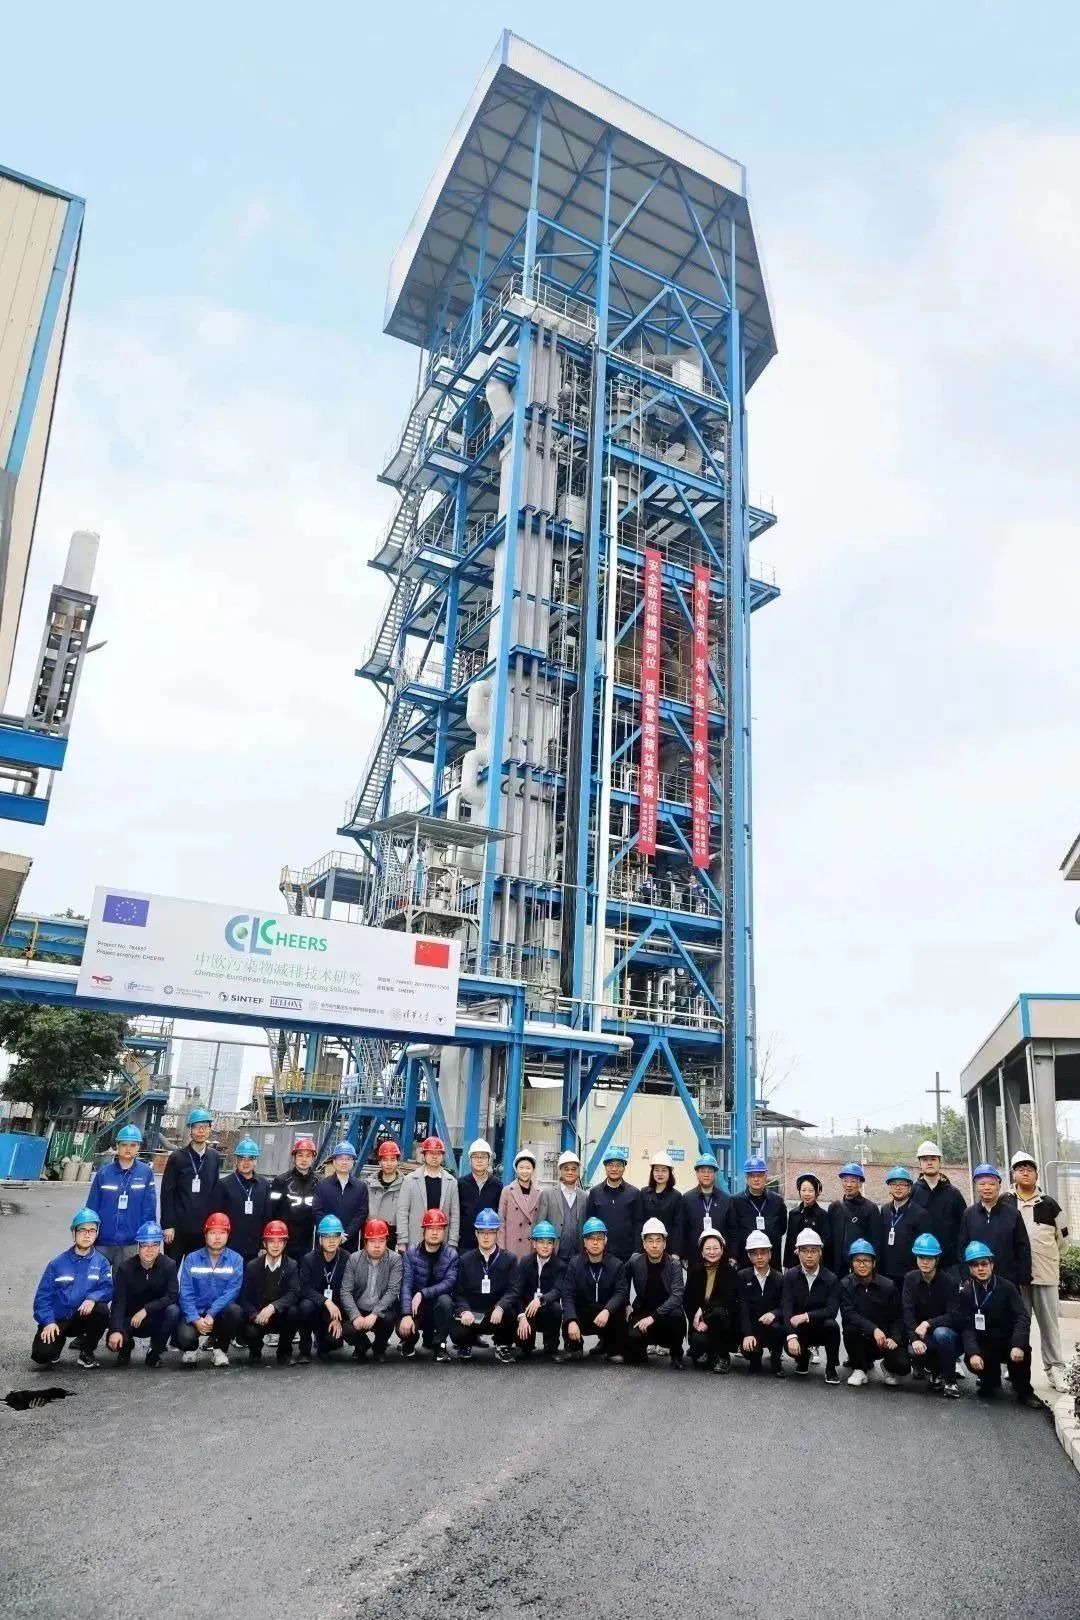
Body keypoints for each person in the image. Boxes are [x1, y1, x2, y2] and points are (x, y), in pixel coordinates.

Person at [1005, 1150, 1070, 1392]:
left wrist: (1048, 1259)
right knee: (1015, 1323)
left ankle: (1055, 1369)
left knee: (1049, 1326)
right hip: (1016, 1278)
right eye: (1020, 1169)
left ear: (1036, 1173)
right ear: (1013, 1173)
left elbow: (1063, 1241)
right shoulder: (1005, 1202)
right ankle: (1014, 1367)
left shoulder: (1050, 1204)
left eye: (1029, 1169)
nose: (1025, 1172)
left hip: (1045, 1275)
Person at [953, 1240, 1038, 1405]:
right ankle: (989, 1381)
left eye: (984, 1264)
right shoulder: (967, 1292)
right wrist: (973, 1352)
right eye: (975, 1265)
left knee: (1024, 1350)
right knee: (976, 1364)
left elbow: (1022, 1317)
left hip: (1008, 1341)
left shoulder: (1007, 1287)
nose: (980, 1268)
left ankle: (1025, 1392)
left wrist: (1018, 1344)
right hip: (985, 1344)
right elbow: (967, 1327)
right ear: (970, 1269)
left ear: (992, 1265)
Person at [31, 1208, 113, 1370]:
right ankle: (57, 1343)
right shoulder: (57, 1264)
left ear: (97, 1234)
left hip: (83, 1317)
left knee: (102, 1310)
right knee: (42, 1355)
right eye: (82, 1230)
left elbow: (108, 1289)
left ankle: (86, 1351)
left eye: (92, 1230)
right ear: (73, 1233)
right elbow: (42, 1298)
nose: (87, 1235)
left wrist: (93, 1298)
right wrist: (48, 1322)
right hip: (59, 1319)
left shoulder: (101, 1262)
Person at [175, 1211, 244, 1368]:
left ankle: (220, 1350)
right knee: (184, 1336)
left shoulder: (236, 1259)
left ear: (228, 1235)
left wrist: (212, 1313)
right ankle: (191, 1349)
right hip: (196, 1315)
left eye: (222, 1233)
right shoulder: (192, 1259)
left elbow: (232, 1292)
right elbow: (186, 1293)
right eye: (213, 1233)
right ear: (205, 1235)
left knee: (235, 1312)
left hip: (220, 1315)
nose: (217, 1237)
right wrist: (195, 1319)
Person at [106, 1221, 179, 1368]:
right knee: (113, 1342)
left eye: (154, 1245)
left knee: (173, 1311)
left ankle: (155, 1351)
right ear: (138, 1246)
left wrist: (146, 1309)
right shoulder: (125, 1269)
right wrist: (116, 1330)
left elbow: (172, 1295)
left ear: (159, 1246)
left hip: (155, 1318)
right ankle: (126, 1346)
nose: (150, 1250)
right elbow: (119, 1302)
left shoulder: (169, 1265)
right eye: (145, 1245)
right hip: (130, 1319)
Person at [838, 1240, 910, 1388]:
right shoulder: (845, 1284)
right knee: (850, 1329)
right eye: (857, 1260)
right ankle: (859, 1369)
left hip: (885, 1339)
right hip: (861, 1338)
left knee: (903, 1366)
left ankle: (887, 1367)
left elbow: (898, 1317)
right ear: (852, 1263)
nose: (862, 1265)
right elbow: (848, 1314)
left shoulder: (888, 1286)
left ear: (874, 1263)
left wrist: (895, 1338)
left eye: (866, 1260)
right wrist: (873, 1329)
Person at [451, 1207, 519, 1361]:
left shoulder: (509, 1259)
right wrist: (464, 1311)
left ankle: (503, 1344)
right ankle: (466, 1344)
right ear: (476, 1233)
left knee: (510, 1312)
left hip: (496, 1313)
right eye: (482, 1232)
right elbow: (459, 1293)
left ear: (497, 1233)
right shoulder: (465, 1260)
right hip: (473, 1314)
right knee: (457, 1331)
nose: (486, 1236)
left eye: (491, 1232)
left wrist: (500, 1307)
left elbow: (513, 1290)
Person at [85, 1124, 158, 1266]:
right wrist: (91, 1234)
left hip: (131, 1242)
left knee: (124, 1278)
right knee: (98, 1277)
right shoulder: (104, 1173)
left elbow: (149, 1209)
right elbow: (92, 1206)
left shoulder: (145, 1173)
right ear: (117, 1146)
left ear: (139, 1147)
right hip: (103, 1240)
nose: (128, 1148)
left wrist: (146, 1238)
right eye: (124, 1144)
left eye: (133, 1145)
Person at [561, 1216, 628, 1361]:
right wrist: (571, 1320)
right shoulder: (574, 1264)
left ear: (605, 1240)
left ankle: (611, 1347)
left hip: (605, 1314)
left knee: (619, 1313)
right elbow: (567, 1295)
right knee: (568, 1316)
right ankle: (575, 1345)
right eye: (591, 1238)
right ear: (585, 1242)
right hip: (583, 1314)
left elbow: (621, 1293)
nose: (595, 1242)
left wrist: (607, 1310)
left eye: (599, 1238)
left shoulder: (617, 1265)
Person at [902, 1232, 960, 1398]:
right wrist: (914, 1339)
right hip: (922, 1336)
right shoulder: (910, 1279)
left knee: (941, 1334)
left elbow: (953, 1316)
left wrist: (928, 1323)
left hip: (948, 1335)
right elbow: (907, 1312)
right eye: (921, 1257)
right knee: (912, 1351)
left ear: (937, 1259)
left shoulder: (949, 1282)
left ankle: (950, 1380)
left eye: (929, 1258)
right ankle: (933, 1371)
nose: (925, 1262)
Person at [624, 1218, 686, 1370]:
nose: (654, 1245)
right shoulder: (634, 1262)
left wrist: (653, 1317)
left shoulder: (674, 1264)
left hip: (667, 1313)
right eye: (650, 1241)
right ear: (644, 1243)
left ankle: (676, 1353)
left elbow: (677, 1296)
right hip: (643, 1309)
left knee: (677, 1316)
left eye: (658, 1241)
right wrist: (626, 1304)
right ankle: (641, 1348)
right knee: (631, 1346)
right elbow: (621, 1282)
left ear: (664, 1243)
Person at [160, 1107, 221, 1261]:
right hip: (177, 1229)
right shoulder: (177, 1158)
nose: (201, 1131)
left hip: (202, 1230)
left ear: (210, 1129)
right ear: (190, 1130)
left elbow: (215, 1193)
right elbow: (167, 1193)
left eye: (205, 1126)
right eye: (196, 1127)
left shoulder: (214, 1157)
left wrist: (213, 1226)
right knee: (171, 1269)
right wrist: (168, 1225)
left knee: (197, 1271)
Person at [781, 1229, 841, 1383]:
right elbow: (786, 1306)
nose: (809, 1255)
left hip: (820, 1327)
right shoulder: (790, 1276)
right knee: (787, 1341)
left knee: (832, 1326)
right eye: (804, 1251)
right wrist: (791, 1336)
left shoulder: (831, 1278)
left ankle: (831, 1367)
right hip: (800, 1329)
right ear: (797, 1252)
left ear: (820, 1252)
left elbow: (832, 1310)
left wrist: (807, 1316)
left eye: (813, 1251)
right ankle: (803, 1358)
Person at [399, 1207, 458, 1361]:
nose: (434, 1233)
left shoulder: (451, 1255)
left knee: (446, 1302)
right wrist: (406, 1315)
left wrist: (423, 1293)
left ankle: (441, 1346)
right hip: (416, 1307)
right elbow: (406, 1285)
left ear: (444, 1231)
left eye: (439, 1229)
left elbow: (449, 1283)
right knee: (403, 1326)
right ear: (423, 1231)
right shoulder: (411, 1253)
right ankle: (408, 1342)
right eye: (430, 1228)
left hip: (437, 1305)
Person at [958, 1164, 1031, 1286]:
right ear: (976, 1187)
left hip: (1008, 1280)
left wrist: (1023, 1276)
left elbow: (1023, 1247)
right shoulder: (968, 1214)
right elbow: (962, 1247)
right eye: (982, 1184)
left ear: (999, 1186)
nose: (987, 1188)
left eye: (991, 1184)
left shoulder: (1013, 1214)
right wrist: (966, 1276)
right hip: (977, 1280)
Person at [341, 1218, 403, 1360]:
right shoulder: (354, 1259)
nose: (377, 1246)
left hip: (381, 1308)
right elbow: (346, 1291)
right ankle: (362, 1346)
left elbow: (393, 1290)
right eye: (372, 1241)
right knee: (346, 1329)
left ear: (386, 1241)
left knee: (388, 1319)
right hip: (359, 1307)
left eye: (381, 1241)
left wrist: (375, 1314)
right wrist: (355, 1316)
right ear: (365, 1242)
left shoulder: (395, 1259)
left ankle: (379, 1349)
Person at [240, 1219, 300, 1364]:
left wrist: (273, 1307)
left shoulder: (292, 1265)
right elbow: (245, 1297)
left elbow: (294, 1293)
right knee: (249, 1328)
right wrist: (254, 1315)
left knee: (294, 1312)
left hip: (279, 1314)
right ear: (264, 1243)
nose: (276, 1245)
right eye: (271, 1241)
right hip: (259, 1315)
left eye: (280, 1241)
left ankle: (284, 1353)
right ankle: (255, 1351)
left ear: (285, 1244)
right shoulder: (252, 1266)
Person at [297, 1214, 350, 1360]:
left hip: (336, 1309)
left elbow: (349, 1290)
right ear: (320, 1239)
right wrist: (326, 1301)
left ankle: (322, 1341)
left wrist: (338, 1317)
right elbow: (304, 1288)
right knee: (305, 1306)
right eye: (327, 1236)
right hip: (316, 1306)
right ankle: (304, 1350)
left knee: (334, 1342)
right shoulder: (309, 1259)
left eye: (335, 1236)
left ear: (340, 1238)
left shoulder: (347, 1259)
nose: (331, 1240)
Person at [685, 1229, 739, 1372]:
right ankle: (707, 1352)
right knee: (699, 1347)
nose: (712, 1252)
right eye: (708, 1248)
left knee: (717, 1313)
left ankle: (723, 1356)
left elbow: (728, 1300)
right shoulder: (695, 1272)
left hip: (722, 1322)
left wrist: (703, 1311)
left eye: (716, 1248)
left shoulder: (730, 1272)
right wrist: (696, 1321)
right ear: (702, 1252)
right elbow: (688, 1301)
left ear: (722, 1249)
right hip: (700, 1323)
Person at [910, 1139, 966, 1274]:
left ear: (940, 1162)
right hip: (919, 1262)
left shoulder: (953, 1193)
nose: (929, 1162)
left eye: (933, 1159)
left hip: (949, 1263)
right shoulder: (912, 1192)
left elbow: (964, 1229)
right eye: (925, 1159)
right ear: (919, 1163)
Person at [211, 1137, 271, 1261]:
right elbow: (216, 1217)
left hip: (255, 1249)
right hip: (229, 1247)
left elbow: (267, 1217)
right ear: (236, 1160)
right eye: (242, 1158)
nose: (246, 1162)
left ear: (256, 1161)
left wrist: (264, 1245)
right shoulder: (224, 1185)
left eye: (250, 1159)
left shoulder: (264, 1185)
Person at [513, 1220, 565, 1359]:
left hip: (546, 1307)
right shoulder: (525, 1262)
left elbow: (558, 1290)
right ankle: (525, 1346)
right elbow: (517, 1292)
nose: (545, 1246)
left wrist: (541, 1300)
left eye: (549, 1242)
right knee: (517, 1308)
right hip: (528, 1309)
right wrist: (521, 1316)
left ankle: (551, 1346)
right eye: (541, 1242)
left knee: (556, 1309)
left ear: (554, 1245)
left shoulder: (559, 1265)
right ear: (534, 1243)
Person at [398, 1136, 461, 1250]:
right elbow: (402, 1212)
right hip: (416, 1241)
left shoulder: (451, 1182)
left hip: (442, 1243)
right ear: (424, 1155)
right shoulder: (410, 1180)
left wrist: (452, 1242)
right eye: (430, 1153)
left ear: (442, 1156)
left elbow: (454, 1215)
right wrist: (402, 1241)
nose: (434, 1156)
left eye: (438, 1153)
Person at [738, 1229, 785, 1376]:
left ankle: (776, 1361)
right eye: (754, 1253)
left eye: (763, 1252)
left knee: (779, 1329)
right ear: (749, 1256)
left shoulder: (779, 1278)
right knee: (749, 1349)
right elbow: (742, 1306)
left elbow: (785, 1304)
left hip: (772, 1325)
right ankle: (755, 1359)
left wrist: (774, 1313)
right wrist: (747, 1333)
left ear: (770, 1254)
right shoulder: (742, 1276)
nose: (759, 1257)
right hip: (752, 1326)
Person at [584, 1146, 641, 1262]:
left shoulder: (634, 1193)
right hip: (600, 1255)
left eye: (618, 1165)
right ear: (605, 1167)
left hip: (627, 1256)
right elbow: (589, 1223)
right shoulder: (595, 1192)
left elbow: (638, 1224)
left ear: (624, 1168)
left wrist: (636, 1252)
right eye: (610, 1165)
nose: (614, 1169)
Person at [267, 1134, 320, 1259]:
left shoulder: (320, 1183)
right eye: (300, 1155)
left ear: (313, 1158)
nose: (304, 1159)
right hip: (284, 1240)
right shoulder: (280, 1181)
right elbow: (271, 1211)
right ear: (294, 1157)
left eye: (308, 1156)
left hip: (308, 1242)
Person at [312, 1140, 370, 1253]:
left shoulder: (360, 1187)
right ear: (334, 1161)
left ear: (353, 1162)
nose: (344, 1162)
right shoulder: (322, 1185)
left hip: (349, 1241)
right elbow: (317, 1211)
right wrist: (331, 1233)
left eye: (348, 1159)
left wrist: (346, 1234)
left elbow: (361, 1213)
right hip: (326, 1240)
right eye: (340, 1158)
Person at [877, 1165, 931, 1286]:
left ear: (910, 1188)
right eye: (894, 1184)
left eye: (902, 1184)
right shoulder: (885, 1210)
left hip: (909, 1274)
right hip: (886, 1273)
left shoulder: (920, 1214)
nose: (898, 1187)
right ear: (889, 1188)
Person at [827, 1163, 883, 1276]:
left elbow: (876, 1241)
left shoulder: (871, 1208)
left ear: (860, 1183)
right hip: (837, 1267)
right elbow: (830, 1240)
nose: (848, 1185)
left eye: (853, 1181)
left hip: (861, 1266)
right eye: (845, 1180)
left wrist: (874, 1268)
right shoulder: (834, 1207)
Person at [731, 1156, 787, 1266]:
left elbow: (782, 1228)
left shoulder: (777, 1201)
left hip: (772, 1261)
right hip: (745, 1261)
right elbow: (733, 1231)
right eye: (752, 1176)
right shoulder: (735, 1202)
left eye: (759, 1175)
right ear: (746, 1178)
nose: (756, 1179)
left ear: (765, 1177)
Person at [680, 1152, 733, 1261]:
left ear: (715, 1174)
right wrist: (683, 1255)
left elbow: (732, 1230)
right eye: (703, 1171)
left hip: (721, 1257)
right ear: (697, 1174)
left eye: (710, 1171)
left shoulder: (726, 1199)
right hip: (694, 1257)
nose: (706, 1174)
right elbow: (683, 1230)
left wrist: (733, 1255)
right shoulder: (687, 1199)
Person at [538, 1149, 588, 1261]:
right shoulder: (547, 1194)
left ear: (578, 1171)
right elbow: (540, 1223)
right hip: (554, 1254)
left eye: (573, 1169)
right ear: (560, 1170)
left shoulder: (585, 1197)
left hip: (578, 1256)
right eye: (566, 1169)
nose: (570, 1172)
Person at [456, 1138, 502, 1251]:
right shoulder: (460, 1184)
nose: (479, 1160)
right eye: (476, 1157)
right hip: (465, 1245)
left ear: (489, 1160)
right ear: (470, 1160)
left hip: (489, 1245)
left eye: (483, 1157)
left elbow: (500, 1215)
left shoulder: (497, 1185)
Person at [498, 1149, 542, 1259]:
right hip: (511, 1247)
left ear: (533, 1170)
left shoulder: (540, 1193)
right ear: (516, 1169)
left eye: (528, 1168)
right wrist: (501, 1249)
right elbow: (501, 1222)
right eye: (521, 1167)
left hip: (531, 1248)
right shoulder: (507, 1191)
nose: (524, 1171)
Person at [782, 1172, 832, 1269]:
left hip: (815, 1264)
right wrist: (786, 1265)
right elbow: (789, 1242)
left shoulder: (823, 1215)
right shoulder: (793, 1214)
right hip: (794, 1263)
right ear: (799, 1191)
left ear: (817, 1192)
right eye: (803, 1190)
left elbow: (826, 1240)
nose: (807, 1194)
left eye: (810, 1190)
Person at [639, 1151, 684, 1258]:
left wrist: (676, 1253)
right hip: (647, 1248)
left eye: (664, 1170)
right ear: (652, 1172)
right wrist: (637, 1250)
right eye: (657, 1170)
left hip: (668, 1249)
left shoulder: (676, 1196)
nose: (660, 1174)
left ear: (670, 1173)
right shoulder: (644, 1193)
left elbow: (678, 1227)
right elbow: (639, 1222)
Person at [364, 1139, 406, 1250]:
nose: (389, 1164)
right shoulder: (368, 1184)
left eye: (393, 1159)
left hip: (393, 1236)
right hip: (371, 1234)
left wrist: (402, 1241)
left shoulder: (406, 1185)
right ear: (379, 1162)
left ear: (398, 1162)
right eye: (385, 1160)